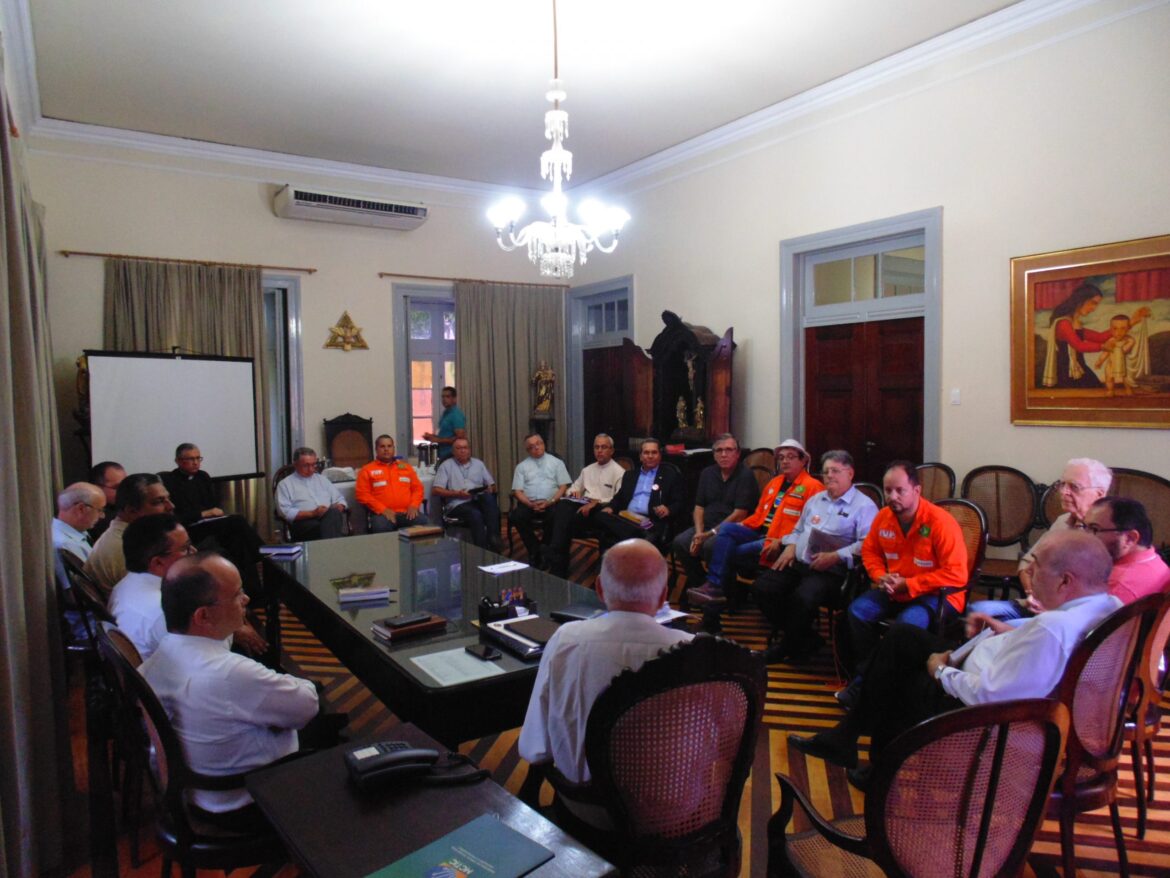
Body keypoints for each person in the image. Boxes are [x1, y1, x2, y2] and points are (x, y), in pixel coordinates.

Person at [789, 530, 1118, 788]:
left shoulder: (1053, 628)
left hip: (984, 714)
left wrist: (941, 670)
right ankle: (846, 738)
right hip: (993, 667)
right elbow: (1040, 654)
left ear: (1066, 580)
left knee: (898, 673)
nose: (1030, 573)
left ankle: (880, 769)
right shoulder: (1106, 606)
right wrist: (1004, 629)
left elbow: (993, 696)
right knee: (901, 637)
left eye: (1037, 565)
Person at [518, 539, 693, 824]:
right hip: (674, 818)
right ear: (663, 598)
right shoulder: (693, 651)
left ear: (599, 588)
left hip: (587, 813)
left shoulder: (568, 640)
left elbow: (536, 748)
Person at [141, 552, 324, 820]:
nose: (246, 599)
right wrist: (303, 684)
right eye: (237, 594)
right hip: (248, 800)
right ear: (202, 616)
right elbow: (307, 705)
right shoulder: (230, 674)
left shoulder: (162, 657)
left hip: (199, 790)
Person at [840, 461, 967, 706]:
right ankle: (873, 678)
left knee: (905, 627)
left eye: (900, 490)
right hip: (894, 589)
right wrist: (880, 576)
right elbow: (870, 553)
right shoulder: (883, 517)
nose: (892, 496)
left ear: (917, 491)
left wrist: (910, 584)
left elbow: (956, 574)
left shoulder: (940, 522)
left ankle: (862, 686)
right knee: (857, 612)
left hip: (938, 595)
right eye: (888, 491)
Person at [755, 450, 878, 663]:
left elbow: (867, 544)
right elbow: (798, 529)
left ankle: (786, 645)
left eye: (836, 471)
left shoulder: (864, 506)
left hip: (833, 571)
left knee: (802, 598)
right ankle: (806, 638)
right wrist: (790, 545)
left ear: (850, 473)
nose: (829, 476)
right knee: (763, 588)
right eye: (826, 471)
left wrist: (836, 555)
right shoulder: (815, 500)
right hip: (801, 561)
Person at [970, 496, 1169, 624]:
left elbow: (1077, 639)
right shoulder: (1151, 561)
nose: (1087, 536)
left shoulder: (1121, 587)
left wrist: (1045, 610)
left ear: (1130, 538)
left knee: (988, 622)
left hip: (1060, 637)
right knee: (984, 613)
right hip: (1053, 615)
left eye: (1095, 529)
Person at [688, 439, 821, 603]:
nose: (785, 461)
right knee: (727, 529)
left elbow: (810, 528)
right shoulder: (775, 482)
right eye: (781, 458)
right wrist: (741, 526)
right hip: (758, 531)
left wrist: (782, 541)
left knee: (726, 552)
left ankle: (722, 592)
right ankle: (716, 587)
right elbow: (759, 515)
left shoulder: (813, 487)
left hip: (777, 540)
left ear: (803, 460)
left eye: (791, 457)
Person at [161, 442, 265, 591]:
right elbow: (175, 517)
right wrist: (202, 514)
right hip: (188, 528)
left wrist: (213, 514)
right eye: (190, 459)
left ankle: (255, 594)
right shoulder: (169, 481)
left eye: (198, 458)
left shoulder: (203, 477)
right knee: (237, 521)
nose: (196, 463)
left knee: (238, 543)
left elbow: (213, 505)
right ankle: (264, 553)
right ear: (178, 461)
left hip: (208, 524)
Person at [669, 433, 759, 595]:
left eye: (729, 450)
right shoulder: (707, 473)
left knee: (711, 545)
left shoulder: (745, 475)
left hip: (730, 530)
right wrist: (698, 533)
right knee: (680, 542)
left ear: (737, 453)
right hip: (706, 526)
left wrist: (709, 534)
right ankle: (701, 585)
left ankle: (725, 591)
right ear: (714, 454)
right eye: (719, 450)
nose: (724, 454)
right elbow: (699, 507)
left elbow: (740, 514)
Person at [1012, 457, 1111, 599]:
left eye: (1074, 487)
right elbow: (1027, 563)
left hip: (1073, 614)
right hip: (1040, 603)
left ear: (1099, 494)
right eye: (1062, 484)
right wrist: (1031, 595)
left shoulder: (1107, 532)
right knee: (983, 609)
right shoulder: (1062, 521)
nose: (1064, 492)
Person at [543, 434, 627, 578]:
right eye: (596, 447)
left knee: (560, 520)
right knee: (564, 504)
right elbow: (572, 491)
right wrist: (582, 499)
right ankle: (555, 554)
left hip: (602, 509)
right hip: (583, 506)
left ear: (611, 451)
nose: (599, 450)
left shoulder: (619, 472)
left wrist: (595, 503)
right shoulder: (587, 470)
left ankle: (555, 558)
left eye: (604, 447)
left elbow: (618, 500)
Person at [1041, 282, 1150, 389]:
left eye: (1096, 304)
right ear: (1081, 299)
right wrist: (1103, 347)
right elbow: (1079, 345)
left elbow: (1100, 337)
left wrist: (1132, 322)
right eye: (1093, 303)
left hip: (1078, 369)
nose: (1094, 308)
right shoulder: (1064, 323)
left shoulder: (1074, 322)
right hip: (1067, 373)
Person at [84, 472, 175, 594]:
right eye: (159, 502)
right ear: (131, 510)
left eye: (168, 499)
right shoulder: (126, 548)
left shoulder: (127, 534)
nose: (171, 506)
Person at [594, 438, 685, 551]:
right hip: (627, 518)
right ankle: (635, 534)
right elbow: (619, 497)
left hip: (651, 521)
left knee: (614, 532)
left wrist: (668, 509)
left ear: (660, 455)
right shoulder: (630, 475)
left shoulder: (670, 476)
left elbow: (679, 502)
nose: (650, 456)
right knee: (600, 515)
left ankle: (634, 536)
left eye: (654, 452)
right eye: (646, 453)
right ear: (640, 456)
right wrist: (610, 507)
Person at [508, 433, 571, 567]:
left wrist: (551, 501)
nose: (536, 447)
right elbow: (517, 491)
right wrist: (529, 503)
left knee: (556, 515)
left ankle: (544, 547)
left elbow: (563, 487)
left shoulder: (557, 463)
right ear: (527, 450)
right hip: (528, 503)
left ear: (544, 444)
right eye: (531, 446)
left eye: (538, 443)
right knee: (516, 516)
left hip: (552, 502)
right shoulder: (521, 467)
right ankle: (535, 549)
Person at [431, 437, 502, 550]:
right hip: (457, 503)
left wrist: (490, 489)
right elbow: (436, 490)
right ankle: (482, 550)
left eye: (465, 448)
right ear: (453, 451)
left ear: (469, 450)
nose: (462, 450)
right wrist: (457, 493)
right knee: (475, 514)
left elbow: (492, 485)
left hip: (477, 499)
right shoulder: (446, 465)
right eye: (458, 448)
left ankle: (493, 538)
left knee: (489, 499)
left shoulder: (478, 464)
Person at [354, 434, 424, 533]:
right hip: (382, 514)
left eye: (389, 446)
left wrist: (414, 505)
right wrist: (382, 509)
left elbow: (418, 489)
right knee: (381, 528)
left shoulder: (406, 467)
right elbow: (362, 495)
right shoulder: (367, 470)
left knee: (425, 523)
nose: (386, 449)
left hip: (407, 512)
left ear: (394, 448)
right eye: (382, 446)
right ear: (376, 449)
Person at [275, 447, 347, 541]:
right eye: (306, 466)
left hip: (327, 517)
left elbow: (340, 499)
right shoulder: (285, 484)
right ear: (295, 465)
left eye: (314, 465)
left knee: (333, 514)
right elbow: (285, 512)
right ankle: (332, 550)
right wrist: (312, 513)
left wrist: (340, 506)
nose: (311, 469)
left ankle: (328, 549)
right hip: (303, 523)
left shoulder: (322, 480)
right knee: (326, 526)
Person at [1094, 314, 1139, 396]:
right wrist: (1100, 361)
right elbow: (1106, 352)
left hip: (1124, 363)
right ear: (1110, 329)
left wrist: (1119, 346)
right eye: (1115, 329)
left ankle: (1128, 389)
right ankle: (1110, 390)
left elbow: (1125, 350)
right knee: (1109, 378)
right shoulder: (1111, 340)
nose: (1119, 332)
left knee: (1126, 378)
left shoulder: (1129, 340)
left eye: (1123, 328)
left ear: (1128, 329)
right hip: (1111, 363)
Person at [422, 386, 466, 461]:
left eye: (447, 396)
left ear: (454, 399)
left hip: (452, 455)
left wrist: (438, 440)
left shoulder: (456, 415)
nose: (444, 399)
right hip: (442, 455)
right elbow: (443, 434)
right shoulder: (446, 413)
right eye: (443, 397)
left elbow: (460, 439)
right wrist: (431, 436)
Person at [87, 461, 126, 541]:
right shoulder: (94, 518)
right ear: (97, 488)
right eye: (117, 487)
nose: (124, 490)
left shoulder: (125, 506)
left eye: (126, 485)